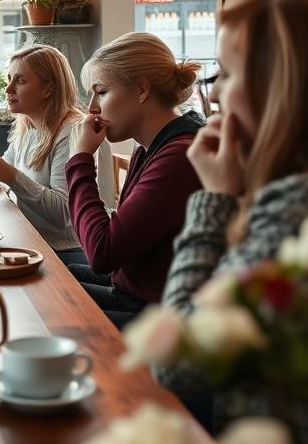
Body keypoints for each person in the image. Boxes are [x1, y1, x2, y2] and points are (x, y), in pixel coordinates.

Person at [159, 0, 308, 444]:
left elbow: (177, 363)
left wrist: (213, 201)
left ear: (281, 86)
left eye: (226, 72)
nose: (215, 93)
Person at [66, 32, 205, 327]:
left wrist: (80, 160)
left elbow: (102, 253)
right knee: (54, 275)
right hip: (131, 290)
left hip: (159, 315)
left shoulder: (179, 156)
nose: (92, 107)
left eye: (101, 92)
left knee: (57, 314)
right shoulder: (148, 145)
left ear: (142, 89)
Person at [0, 45, 114, 266]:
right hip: (31, 239)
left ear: (48, 89)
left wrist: (9, 175)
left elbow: (63, 215)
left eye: (20, 81)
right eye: (9, 79)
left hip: (66, 250)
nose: (8, 89)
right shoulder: (28, 124)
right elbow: (6, 169)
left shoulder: (72, 131)